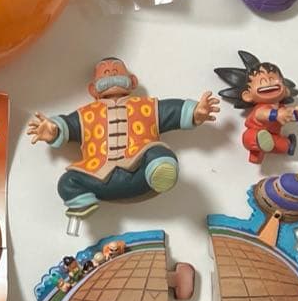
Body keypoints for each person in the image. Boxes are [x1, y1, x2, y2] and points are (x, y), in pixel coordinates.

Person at [28, 57, 219, 234]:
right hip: (99, 179)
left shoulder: (146, 106)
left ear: (133, 81)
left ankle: (160, 173)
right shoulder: (86, 114)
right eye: (105, 74)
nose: (111, 76)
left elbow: (171, 111)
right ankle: (82, 202)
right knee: (67, 181)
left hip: (140, 173)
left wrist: (196, 112)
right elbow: (68, 124)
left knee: (158, 152)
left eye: (115, 71)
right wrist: (54, 130)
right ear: (93, 90)